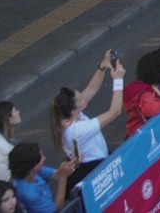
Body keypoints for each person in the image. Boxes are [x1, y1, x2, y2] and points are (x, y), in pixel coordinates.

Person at [48, 53, 124, 190]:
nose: (84, 99)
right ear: (74, 111)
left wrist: (102, 66)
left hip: (95, 163)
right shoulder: (77, 130)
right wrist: (118, 80)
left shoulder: (68, 114)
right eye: (81, 99)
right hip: (93, 170)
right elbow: (115, 112)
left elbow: (92, 88)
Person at [7, 142, 75, 213]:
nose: (44, 158)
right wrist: (63, 179)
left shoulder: (33, 172)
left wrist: (73, 163)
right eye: (41, 157)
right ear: (31, 165)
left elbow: (57, 174)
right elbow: (56, 210)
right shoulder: (30, 194)